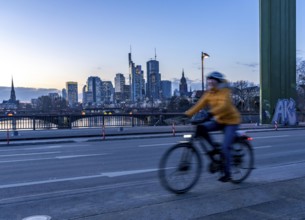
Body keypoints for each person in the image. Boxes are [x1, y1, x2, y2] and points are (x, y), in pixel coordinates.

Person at [185, 71, 241, 182]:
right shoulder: (209, 93)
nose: (210, 82)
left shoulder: (224, 91)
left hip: (231, 121)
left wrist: (210, 113)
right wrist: (187, 114)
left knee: (225, 148)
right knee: (201, 128)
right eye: (209, 79)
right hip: (219, 119)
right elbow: (199, 104)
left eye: (212, 80)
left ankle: (228, 173)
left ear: (218, 81)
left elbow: (224, 106)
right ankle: (214, 149)